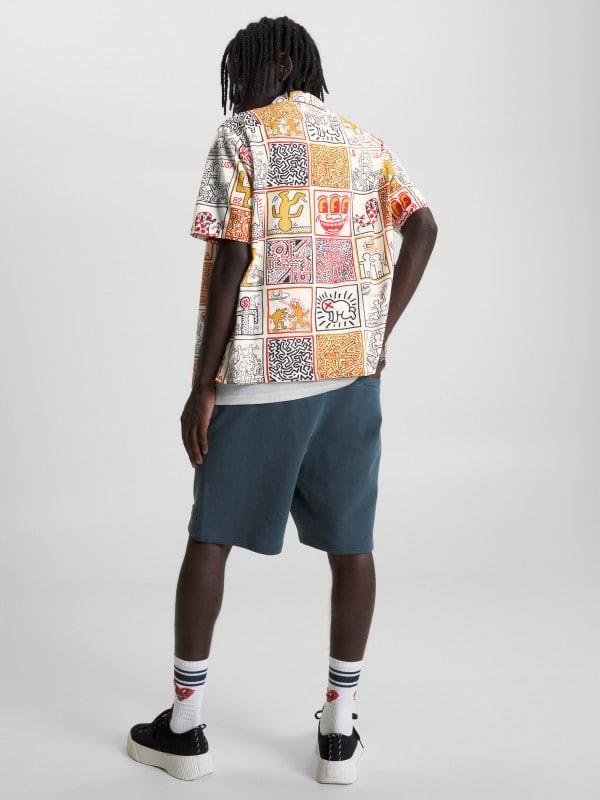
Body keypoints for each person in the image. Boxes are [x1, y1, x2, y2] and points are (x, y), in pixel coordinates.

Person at [127, 14, 438, 786]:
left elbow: (234, 257)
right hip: (351, 378)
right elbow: (425, 227)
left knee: (211, 538)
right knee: (352, 548)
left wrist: (202, 386)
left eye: (244, 71)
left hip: (263, 372)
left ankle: (185, 729)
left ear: (284, 65)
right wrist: (376, 335)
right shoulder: (363, 141)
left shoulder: (242, 137)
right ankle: (339, 731)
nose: (237, 88)